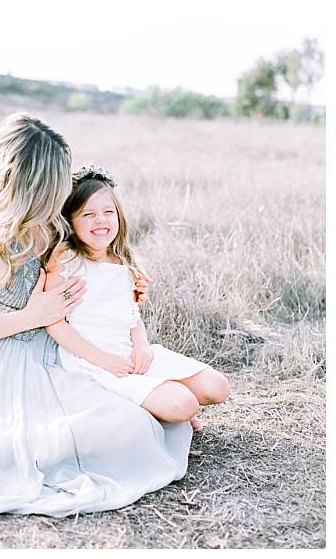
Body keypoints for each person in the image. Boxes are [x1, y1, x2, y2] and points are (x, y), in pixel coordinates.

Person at [0, 112, 194, 520]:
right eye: (54, 184)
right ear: (28, 183)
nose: (61, 195)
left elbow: (94, 255)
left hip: (67, 355)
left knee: (134, 424)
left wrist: (124, 284)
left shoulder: (54, 223)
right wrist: (31, 317)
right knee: (104, 437)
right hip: (11, 370)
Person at [44, 165, 230, 431]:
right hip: (91, 361)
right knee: (184, 405)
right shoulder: (66, 261)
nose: (101, 220)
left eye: (108, 212)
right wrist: (101, 359)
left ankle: (160, 396)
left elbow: (131, 318)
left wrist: (142, 347)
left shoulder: (123, 260)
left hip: (130, 353)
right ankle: (158, 404)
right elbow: (54, 323)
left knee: (217, 387)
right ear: (71, 221)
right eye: (88, 214)